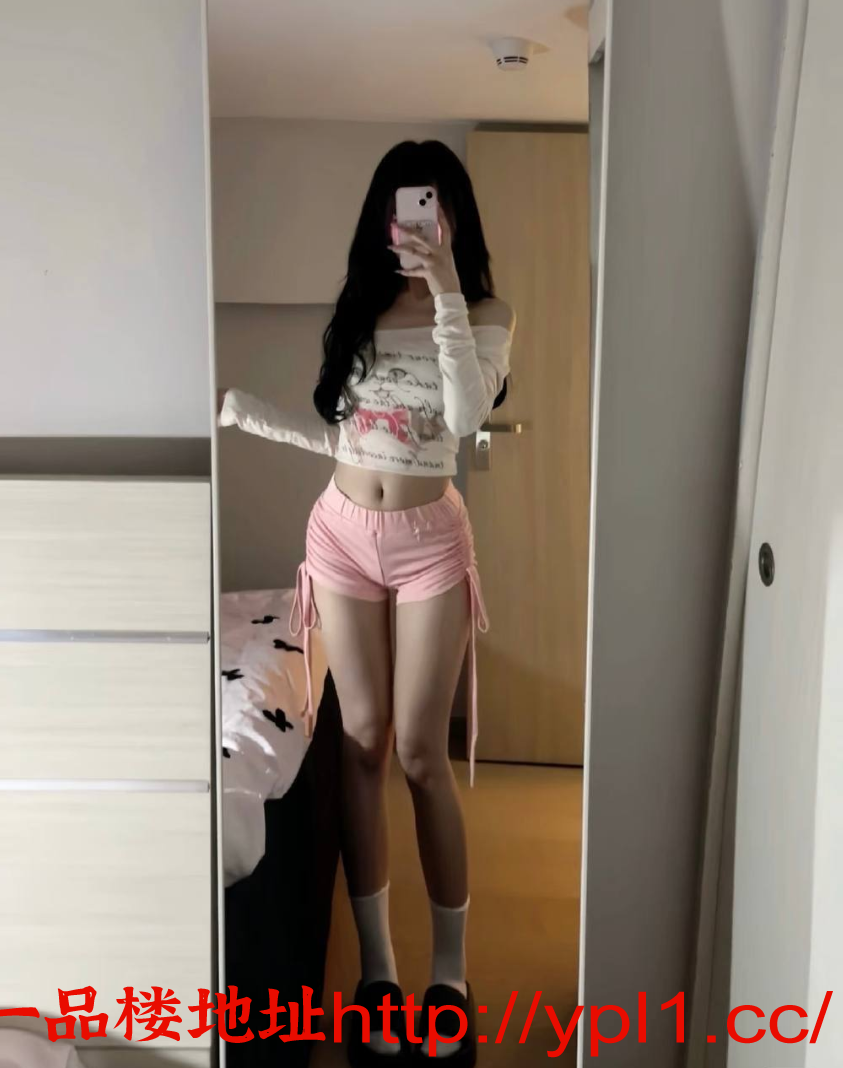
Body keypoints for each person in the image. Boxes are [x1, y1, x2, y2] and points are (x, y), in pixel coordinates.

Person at [218, 139, 515, 1067]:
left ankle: (449, 977)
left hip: (431, 543)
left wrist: (445, 290)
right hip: (340, 534)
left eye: (429, 206)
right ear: (380, 219)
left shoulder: (485, 313)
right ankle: (379, 974)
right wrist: (241, 409)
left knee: (422, 754)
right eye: (399, 207)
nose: (412, 222)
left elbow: (462, 418)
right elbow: (351, 439)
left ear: (452, 216)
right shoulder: (356, 310)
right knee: (360, 743)